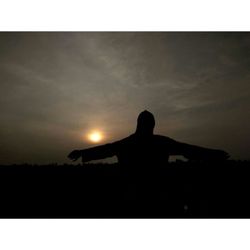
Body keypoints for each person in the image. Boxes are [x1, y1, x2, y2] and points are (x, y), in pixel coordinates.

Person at [68, 110, 229, 167]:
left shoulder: (127, 143)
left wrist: (82, 152)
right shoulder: (161, 143)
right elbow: (188, 149)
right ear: (152, 125)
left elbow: (106, 149)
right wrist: (214, 154)